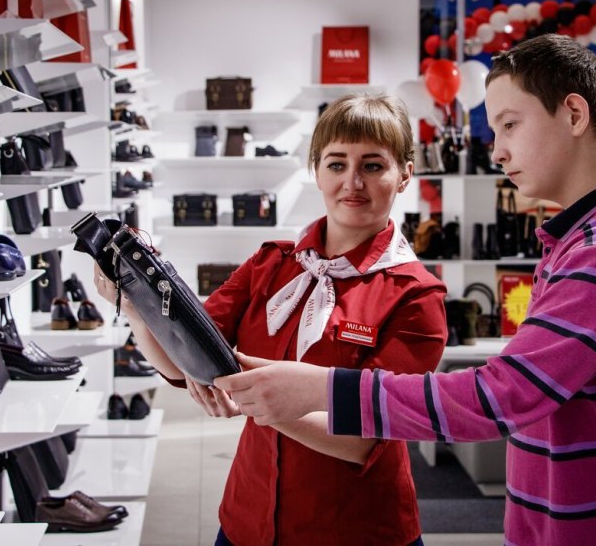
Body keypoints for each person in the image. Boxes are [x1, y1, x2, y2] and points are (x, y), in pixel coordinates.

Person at [215, 34, 596, 545]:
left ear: (573, 114)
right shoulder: (595, 236)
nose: (497, 151)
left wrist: (318, 388)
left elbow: (502, 397)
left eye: (509, 125)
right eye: (336, 163)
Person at [95, 94, 448, 546]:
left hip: (355, 529)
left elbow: (364, 440)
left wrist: (248, 394)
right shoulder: (270, 263)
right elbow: (184, 359)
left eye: (374, 165)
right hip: (247, 517)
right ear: (316, 170)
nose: (352, 182)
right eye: (337, 164)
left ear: (404, 176)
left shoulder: (417, 296)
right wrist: (132, 303)